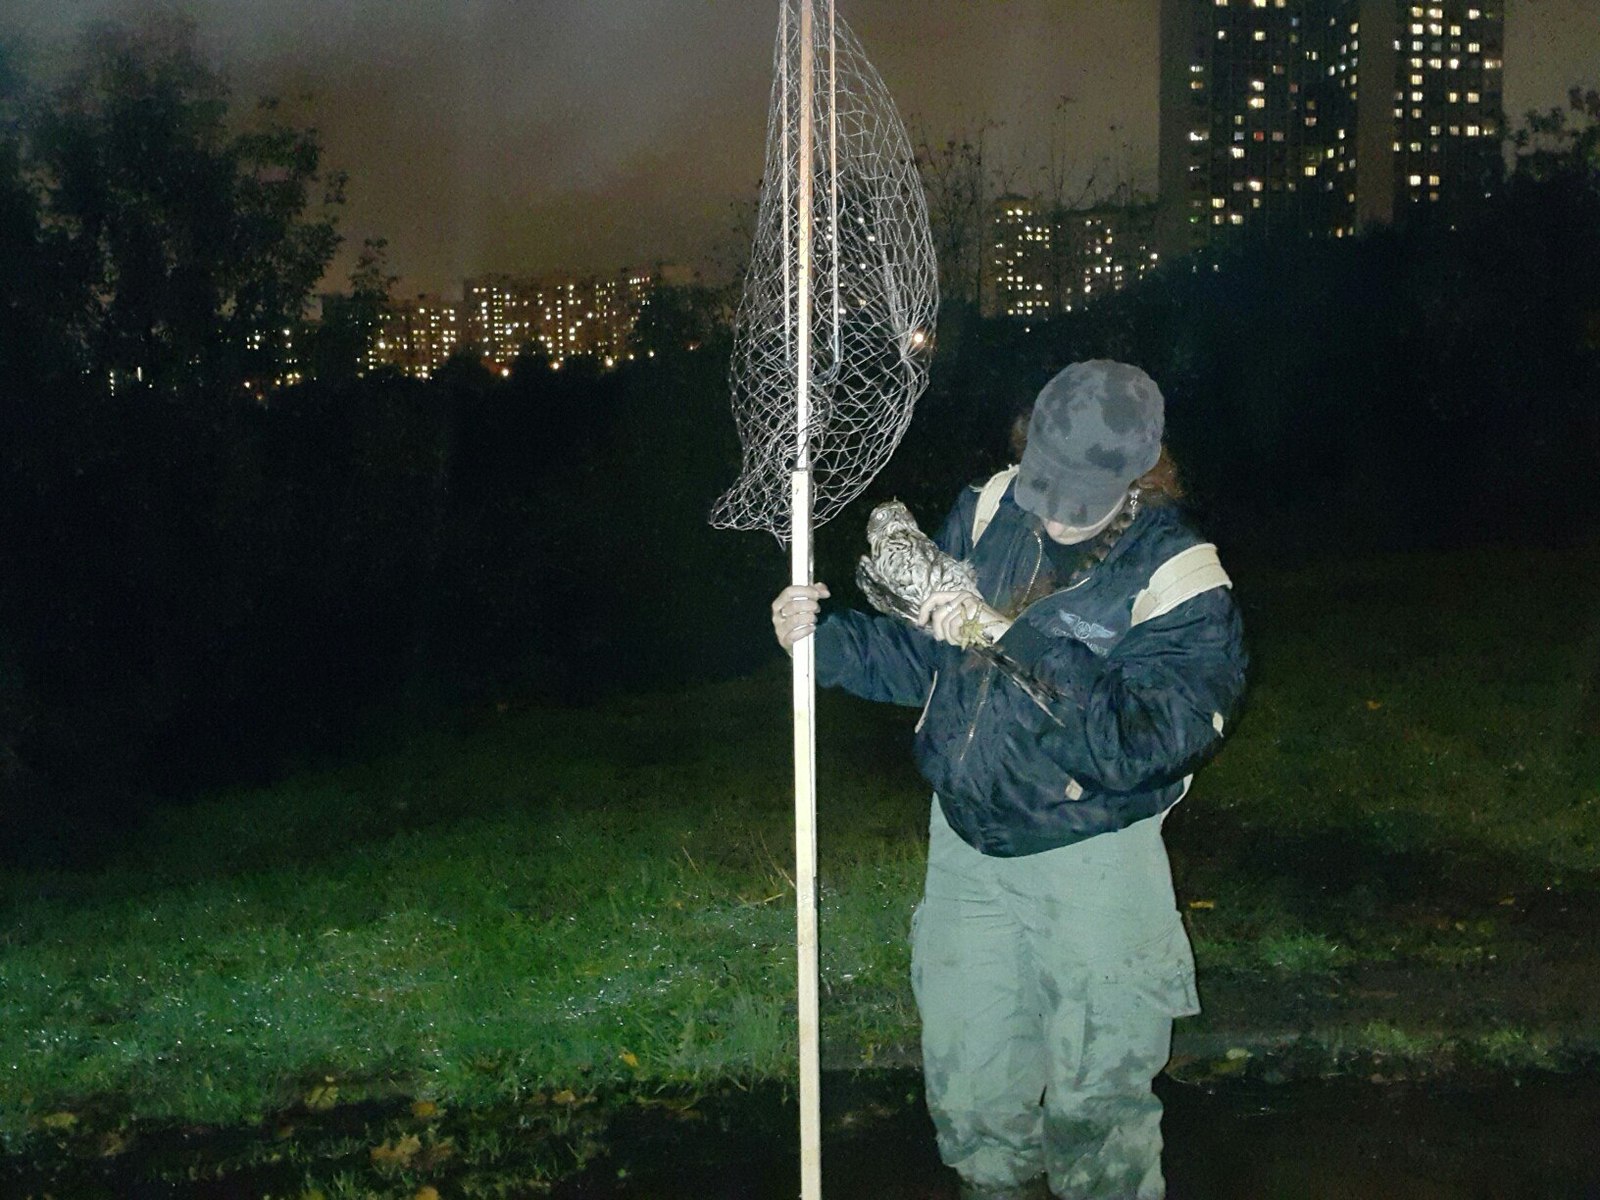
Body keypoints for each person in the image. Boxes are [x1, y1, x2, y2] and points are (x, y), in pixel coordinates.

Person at [771, 360, 1247, 1200]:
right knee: (973, 1096)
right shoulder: (991, 509)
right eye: (1044, 482)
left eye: (1077, 495)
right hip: (965, 853)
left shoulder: (1180, 580)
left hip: (1092, 865)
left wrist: (1006, 634)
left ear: (1138, 471)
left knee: (1095, 1110)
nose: (1054, 511)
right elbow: (927, 661)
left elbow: (1141, 744)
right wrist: (821, 643)